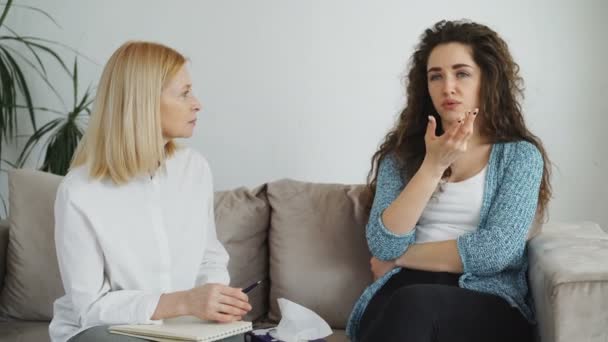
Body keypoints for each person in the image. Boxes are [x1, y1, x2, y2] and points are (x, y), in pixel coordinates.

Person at [346, 20, 552, 342]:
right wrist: (432, 165)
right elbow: (383, 243)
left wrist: (399, 258)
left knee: (413, 305)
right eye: (436, 76)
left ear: (487, 79)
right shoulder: (400, 159)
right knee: (401, 306)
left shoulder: (520, 157)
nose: (448, 87)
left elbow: (496, 251)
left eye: (462, 73)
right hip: (402, 293)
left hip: (486, 299)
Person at [49, 41, 252, 342]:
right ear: (143, 102)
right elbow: (89, 308)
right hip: (110, 331)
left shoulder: (194, 169)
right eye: (184, 93)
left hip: (185, 327)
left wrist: (216, 301)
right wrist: (183, 302)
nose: (197, 103)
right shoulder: (79, 191)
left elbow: (209, 258)